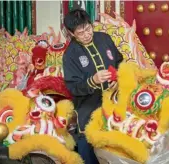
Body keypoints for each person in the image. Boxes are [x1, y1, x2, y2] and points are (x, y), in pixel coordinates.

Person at [62, 8, 123, 164]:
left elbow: (119, 61)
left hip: (113, 101)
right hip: (88, 108)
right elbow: (73, 87)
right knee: (88, 151)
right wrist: (93, 80)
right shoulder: (70, 55)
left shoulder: (104, 39)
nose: (87, 34)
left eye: (88, 28)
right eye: (81, 33)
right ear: (71, 33)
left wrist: (118, 77)